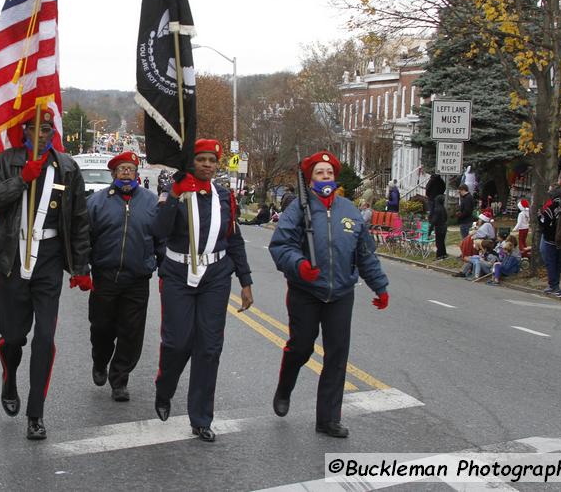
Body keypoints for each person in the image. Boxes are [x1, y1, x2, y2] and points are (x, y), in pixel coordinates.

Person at [0, 108, 92, 441]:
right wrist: (20, 180)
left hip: (49, 260)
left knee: (45, 338)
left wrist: (82, 267)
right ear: (25, 130)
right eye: (34, 129)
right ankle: (9, 376)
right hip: (14, 260)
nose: (40, 135)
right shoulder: (5, 162)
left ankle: (36, 413)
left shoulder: (67, 167)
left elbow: (79, 220)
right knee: (14, 337)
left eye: (46, 129)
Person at [269, 150, 389, 439]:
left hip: (341, 293)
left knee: (337, 354)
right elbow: (280, 246)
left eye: (329, 173)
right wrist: (299, 265)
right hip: (306, 291)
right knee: (301, 347)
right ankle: (285, 387)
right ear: (311, 179)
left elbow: (364, 254)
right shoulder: (297, 209)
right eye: (320, 173)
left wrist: (379, 285)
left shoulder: (349, 211)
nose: (325, 177)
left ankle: (328, 419)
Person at [152, 139, 253, 443]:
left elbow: (233, 238)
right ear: (191, 162)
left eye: (212, 160)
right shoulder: (176, 191)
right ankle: (165, 387)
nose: (207, 164)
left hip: (216, 276)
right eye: (201, 159)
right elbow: (159, 231)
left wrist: (245, 281)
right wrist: (174, 195)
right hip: (178, 274)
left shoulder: (224, 195)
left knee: (209, 348)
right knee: (178, 342)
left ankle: (200, 418)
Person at [85, 151, 161, 402]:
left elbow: (161, 239)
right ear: (113, 174)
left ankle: (119, 379)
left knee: (131, 332)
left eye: (130, 169)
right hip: (105, 277)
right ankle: (100, 360)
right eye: (122, 169)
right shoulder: (96, 202)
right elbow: (85, 239)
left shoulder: (151, 202)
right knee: (102, 327)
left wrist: (162, 267)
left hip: (137, 279)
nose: (126, 173)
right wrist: (81, 268)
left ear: (137, 173)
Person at [429, 193, 449, 259]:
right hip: (444, 226)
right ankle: (444, 254)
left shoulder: (437, 209)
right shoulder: (443, 208)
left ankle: (439, 255)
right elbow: (446, 218)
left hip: (439, 227)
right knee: (442, 241)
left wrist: (430, 230)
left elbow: (434, 221)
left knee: (438, 242)